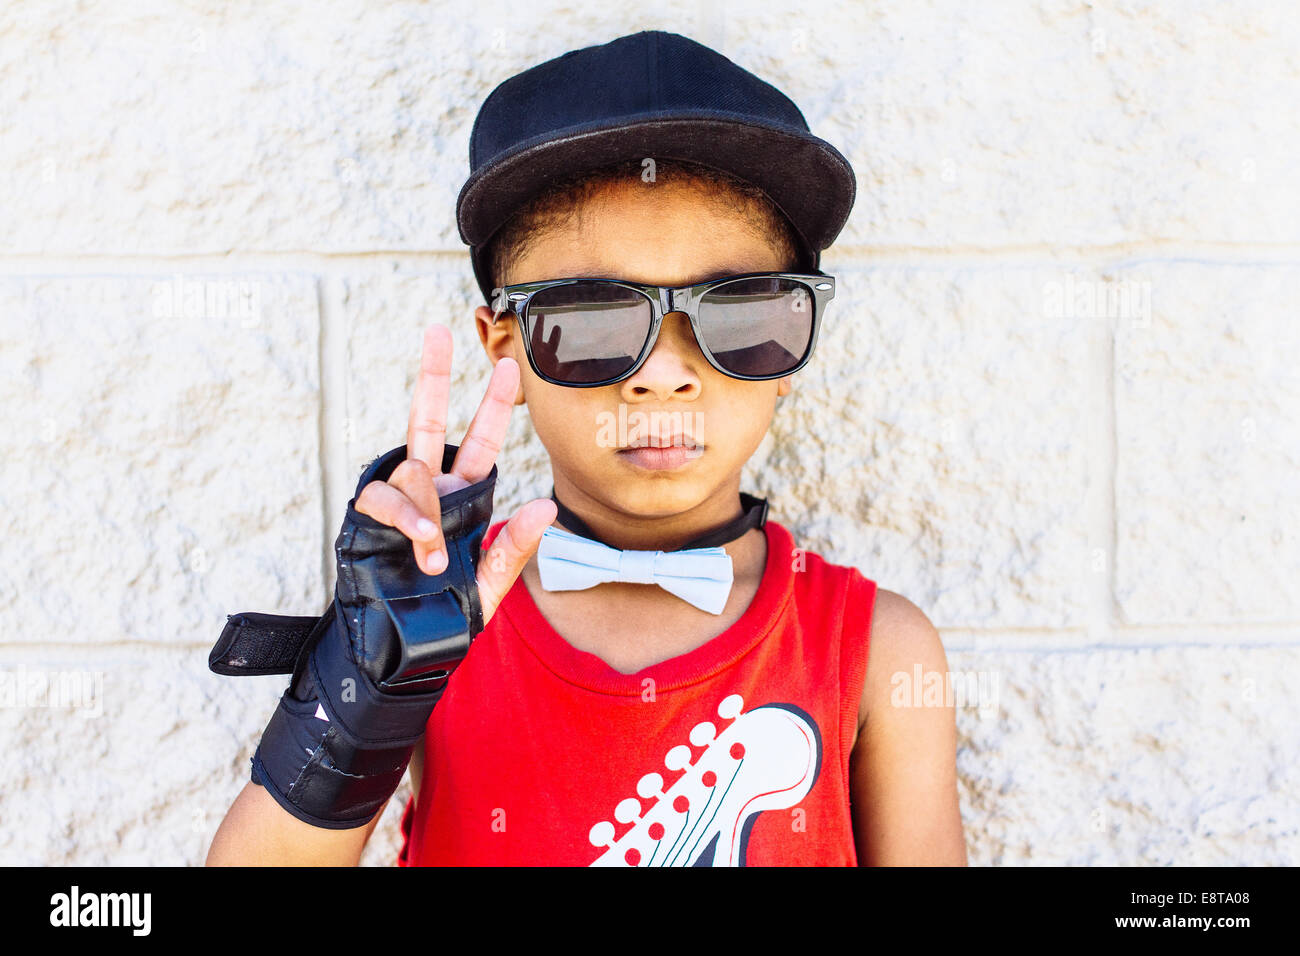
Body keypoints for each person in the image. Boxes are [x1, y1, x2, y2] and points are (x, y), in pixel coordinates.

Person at [207, 29, 965, 866]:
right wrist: (358, 693)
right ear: (506, 350)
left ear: (800, 342)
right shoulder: (434, 625)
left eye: (742, 312)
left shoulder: (878, 650)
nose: (666, 375)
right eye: (596, 319)